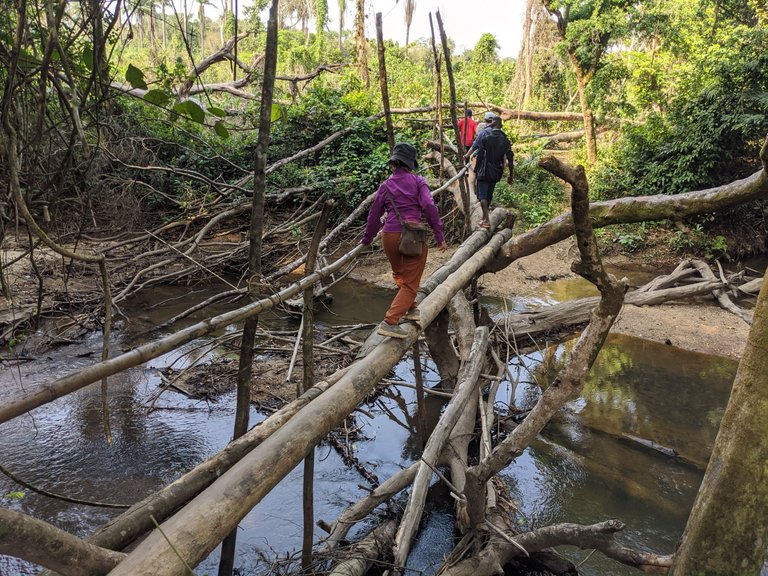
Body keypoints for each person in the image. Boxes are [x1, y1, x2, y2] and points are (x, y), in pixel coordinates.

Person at [361, 143, 448, 339]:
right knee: (410, 284)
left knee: (400, 274)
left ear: (394, 163)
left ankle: (411, 307)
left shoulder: (385, 186)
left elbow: (374, 215)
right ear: (411, 163)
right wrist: (439, 235)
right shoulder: (418, 181)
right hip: (412, 238)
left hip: (389, 236)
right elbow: (429, 206)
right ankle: (390, 322)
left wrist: (367, 239)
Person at [473, 115, 513, 228]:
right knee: (489, 194)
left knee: (482, 197)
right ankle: (485, 218)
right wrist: (511, 175)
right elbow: (510, 158)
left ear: (493, 124)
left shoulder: (486, 138)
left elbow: (480, 155)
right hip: (496, 171)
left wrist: (476, 169)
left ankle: (486, 220)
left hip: (484, 170)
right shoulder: (505, 140)